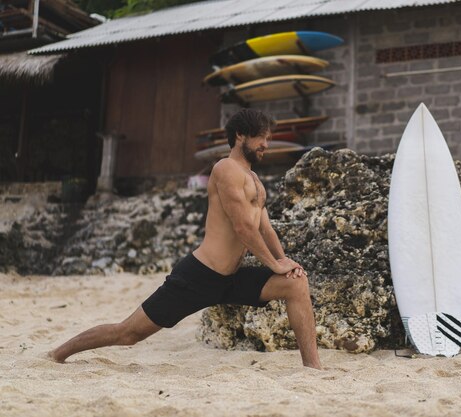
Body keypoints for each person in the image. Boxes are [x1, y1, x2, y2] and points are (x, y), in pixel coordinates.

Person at [48, 109, 321, 369]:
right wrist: (274, 265)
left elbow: (266, 230)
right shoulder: (226, 169)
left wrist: (284, 260)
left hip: (231, 279)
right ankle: (58, 354)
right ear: (240, 136)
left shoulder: (254, 180)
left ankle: (313, 368)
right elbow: (242, 228)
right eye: (261, 137)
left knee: (295, 284)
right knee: (129, 333)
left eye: (268, 139)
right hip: (200, 275)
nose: (266, 145)